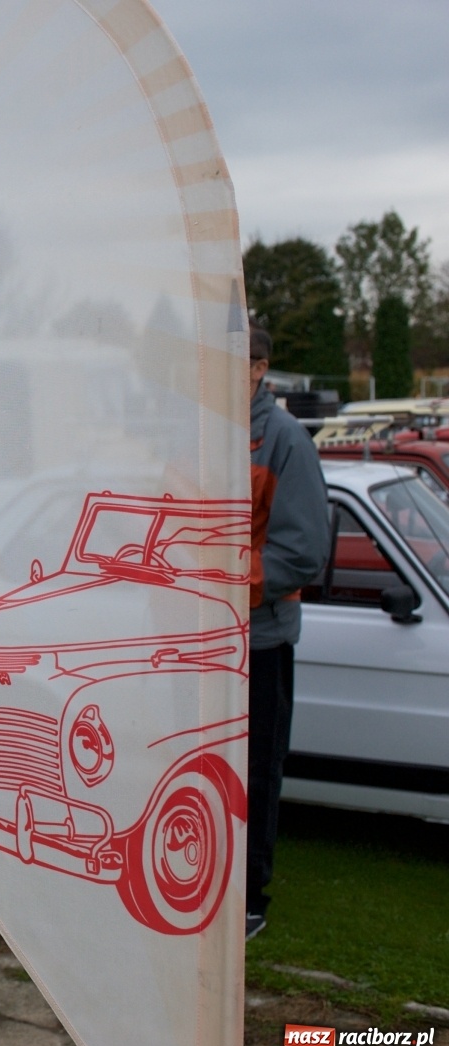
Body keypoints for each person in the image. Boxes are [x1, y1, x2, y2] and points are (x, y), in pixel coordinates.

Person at [245, 324, 329, 941]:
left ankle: (249, 899)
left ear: (259, 368)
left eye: (230, 361)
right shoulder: (196, 434)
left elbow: (301, 555)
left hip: (259, 643)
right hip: (197, 649)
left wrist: (218, 588)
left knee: (254, 772)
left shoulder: (286, 440)